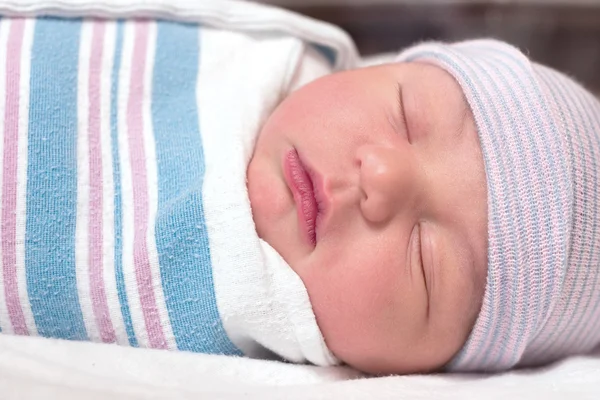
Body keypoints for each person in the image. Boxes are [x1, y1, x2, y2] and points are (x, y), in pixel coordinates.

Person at [1, 12, 599, 375]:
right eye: (407, 114)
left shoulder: (229, 341)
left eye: (426, 261)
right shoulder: (252, 55)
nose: (381, 178)